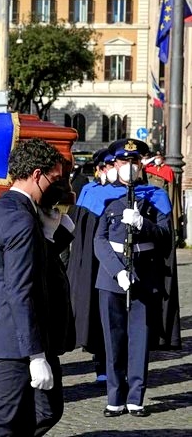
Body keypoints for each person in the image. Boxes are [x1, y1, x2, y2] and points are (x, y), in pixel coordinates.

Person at [0, 139, 65, 436]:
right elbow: (20, 289)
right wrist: (36, 355)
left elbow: (29, 267)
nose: (59, 186)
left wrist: (52, 236)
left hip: (12, 328)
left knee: (44, 411)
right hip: (16, 336)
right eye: (56, 178)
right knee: (3, 425)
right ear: (37, 175)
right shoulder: (21, 220)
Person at [94, 138, 173, 418]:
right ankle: (114, 397)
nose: (129, 166)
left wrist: (144, 224)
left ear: (141, 164)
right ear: (114, 164)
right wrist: (117, 270)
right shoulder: (103, 196)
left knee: (139, 339)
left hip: (144, 273)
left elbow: (166, 238)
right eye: (124, 162)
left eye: (134, 161)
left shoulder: (155, 196)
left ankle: (136, 397)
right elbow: (99, 240)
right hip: (112, 276)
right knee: (113, 339)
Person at [67, 149, 117, 383]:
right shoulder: (90, 193)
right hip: (95, 264)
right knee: (97, 315)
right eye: (106, 166)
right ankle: (101, 364)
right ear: (99, 170)